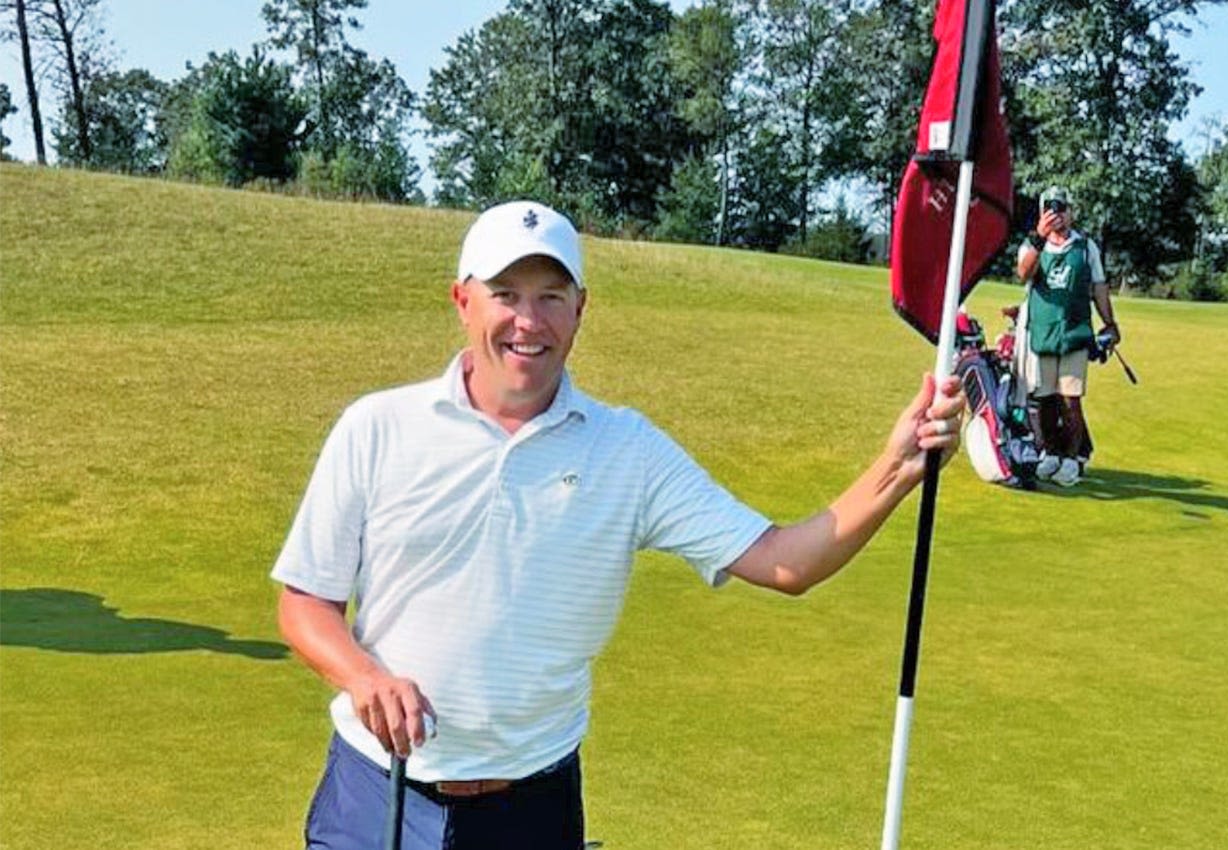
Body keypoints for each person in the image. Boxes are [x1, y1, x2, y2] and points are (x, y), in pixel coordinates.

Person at [271, 200, 965, 850]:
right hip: (373, 795)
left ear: (581, 310)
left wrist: (897, 467)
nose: (528, 321)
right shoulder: (378, 426)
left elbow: (787, 561)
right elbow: (305, 600)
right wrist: (363, 678)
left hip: (530, 808)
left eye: (550, 296)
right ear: (462, 301)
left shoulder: (626, 450)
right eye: (506, 295)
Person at [1015, 186, 1119, 487]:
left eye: (1061, 207)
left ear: (1071, 211)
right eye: (1050, 208)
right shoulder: (1032, 246)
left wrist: (1110, 323)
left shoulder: (1086, 247)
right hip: (1043, 333)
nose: (1057, 214)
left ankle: (1072, 459)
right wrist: (1039, 237)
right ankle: (1050, 452)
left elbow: (1098, 287)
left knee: (1070, 399)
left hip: (1074, 333)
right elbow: (1024, 273)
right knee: (1045, 398)